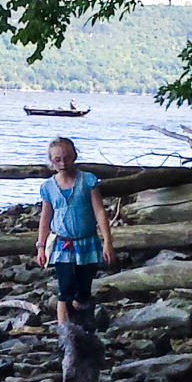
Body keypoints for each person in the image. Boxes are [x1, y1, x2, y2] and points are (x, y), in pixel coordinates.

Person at [35, 137, 116, 324]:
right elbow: (45, 218)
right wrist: (40, 246)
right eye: (57, 160)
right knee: (64, 290)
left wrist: (107, 243)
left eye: (67, 158)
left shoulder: (87, 181)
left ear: (74, 157)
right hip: (62, 245)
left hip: (86, 243)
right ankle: (66, 335)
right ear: (51, 161)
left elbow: (99, 211)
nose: (63, 163)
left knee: (83, 291)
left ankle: (81, 314)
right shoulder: (48, 187)